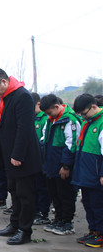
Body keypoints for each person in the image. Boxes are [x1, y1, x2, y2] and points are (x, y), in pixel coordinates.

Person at [0, 68, 42, 245]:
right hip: (10, 156)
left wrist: (18, 154)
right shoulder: (5, 98)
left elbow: (24, 128)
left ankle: (25, 231)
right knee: (14, 192)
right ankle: (14, 224)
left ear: (4, 82)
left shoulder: (22, 96)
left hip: (22, 157)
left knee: (25, 195)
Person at [39, 94, 81, 236]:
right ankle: (58, 219)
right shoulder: (51, 119)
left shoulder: (70, 120)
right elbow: (44, 139)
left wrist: (66, 165)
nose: (48, 115)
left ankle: (67, 222)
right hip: (51, 163)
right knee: (54, 193)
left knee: (66, 194)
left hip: (62, 165)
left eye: (49, 112)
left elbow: (72, 144)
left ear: (56, 107)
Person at [72, 94, 103, 248]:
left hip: (96, 173)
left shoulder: (101, 122)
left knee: (98, 205)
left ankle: (101, 234)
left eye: (84, 113)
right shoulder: (89, 122)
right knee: (88, 203)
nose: (83, 117)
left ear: (94, 106)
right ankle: (94, 231)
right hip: (85, 172)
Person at [31, 92, 52, 225]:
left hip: (43, 159)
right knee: (34, 187)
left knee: (43, 188)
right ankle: (36, 210)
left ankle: (43, 213)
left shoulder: (46, 119)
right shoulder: (31, 118)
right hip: (33, 159)